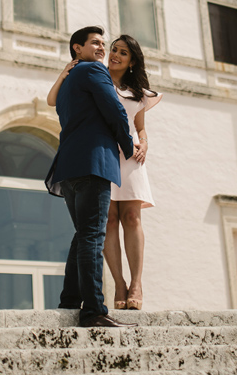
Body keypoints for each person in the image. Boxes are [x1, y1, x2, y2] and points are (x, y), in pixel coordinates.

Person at [48, 34, 161, 311]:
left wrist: (143, 143)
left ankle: (136, 284)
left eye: (123, 52)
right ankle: (118, 284)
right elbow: (58, 101)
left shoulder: (138, 91)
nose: (115, 55)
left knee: (132, 217)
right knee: (106, 221)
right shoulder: (93, 72)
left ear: (132, 60)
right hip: (105, 152)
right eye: (114, 49)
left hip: (130, 153)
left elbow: (139, 125)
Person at [44, 26, 135, 328]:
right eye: (94, 43)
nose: (101, 48)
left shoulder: (70, 80)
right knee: (93, 236)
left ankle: (70, 301)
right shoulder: (95, 71)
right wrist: (128, 147)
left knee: (83, 234)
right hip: (93, 162)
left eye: (102, 44)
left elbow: (55, 102)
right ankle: (94, 309)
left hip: (69, 166)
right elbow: (115, 110)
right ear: (77, 48)